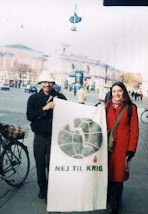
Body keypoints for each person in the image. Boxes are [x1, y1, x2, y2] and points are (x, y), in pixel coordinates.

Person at [26, 70, 67, 203]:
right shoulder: (33, 98)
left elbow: (68, 114)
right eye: (44, 82)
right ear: (40, 83)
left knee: (53, 165)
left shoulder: (60, 97)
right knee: (40, 164)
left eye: (49, 82)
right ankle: (42, 189)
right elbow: (29, 116)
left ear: (53, 83)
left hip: (54, 137)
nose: (47, 85)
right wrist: (45, 108)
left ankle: (51, 190)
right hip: (39, 137)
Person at [105, 81, 139, 214]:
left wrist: (131, 149)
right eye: (114, 91)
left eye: (119, 91)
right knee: (107, 174)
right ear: (111, 92)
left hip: (122, 149)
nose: (117, 94)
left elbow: (134, 129)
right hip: (108, 147)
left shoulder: (131, 107)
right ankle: (108, 196)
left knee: (118, 178)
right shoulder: (107, 106)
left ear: (124, 91)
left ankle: (115, 204)